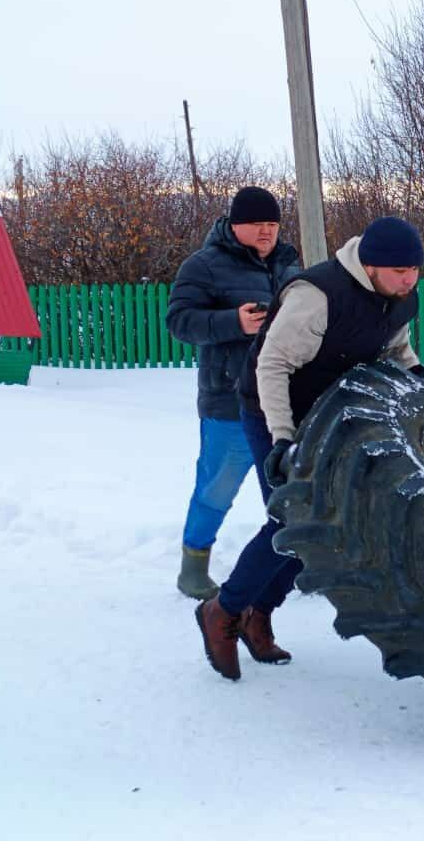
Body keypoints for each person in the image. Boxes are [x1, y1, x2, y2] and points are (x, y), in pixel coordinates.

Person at [194, 216, 424, 680]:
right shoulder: (318, 296)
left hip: (328, 414)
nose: (409, 280)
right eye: (399, 271)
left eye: (414, 270)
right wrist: (282, 438)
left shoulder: (400, 297)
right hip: (271, 409)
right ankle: (222, 611)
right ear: (370, 265)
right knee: (292, 519)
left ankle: (258, 612)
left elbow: (396, 350)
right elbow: (271, 364)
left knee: (318, 528)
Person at [166, 186, 302, 600]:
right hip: (229, 401)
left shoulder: (289, 264)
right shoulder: (204, 265)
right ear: (235, 224)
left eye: (273, 223)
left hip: (284, 403)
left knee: (291, 490)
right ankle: (193, 567)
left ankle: (294, 565)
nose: (266, 231)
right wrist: (234, 323)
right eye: (257, 223)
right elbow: (179, 321)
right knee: (217, 488)